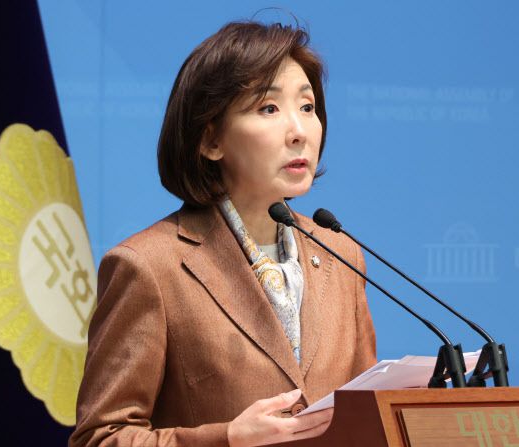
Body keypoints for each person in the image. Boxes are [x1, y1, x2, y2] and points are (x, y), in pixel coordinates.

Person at [70, 19, 376, 447]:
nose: (299, 132)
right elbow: (100, 438)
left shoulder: (341, 255)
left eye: (307, 108)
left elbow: (366, 415)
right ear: (210, 140)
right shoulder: (149, 267)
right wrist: (226, 439)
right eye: (269, 109)